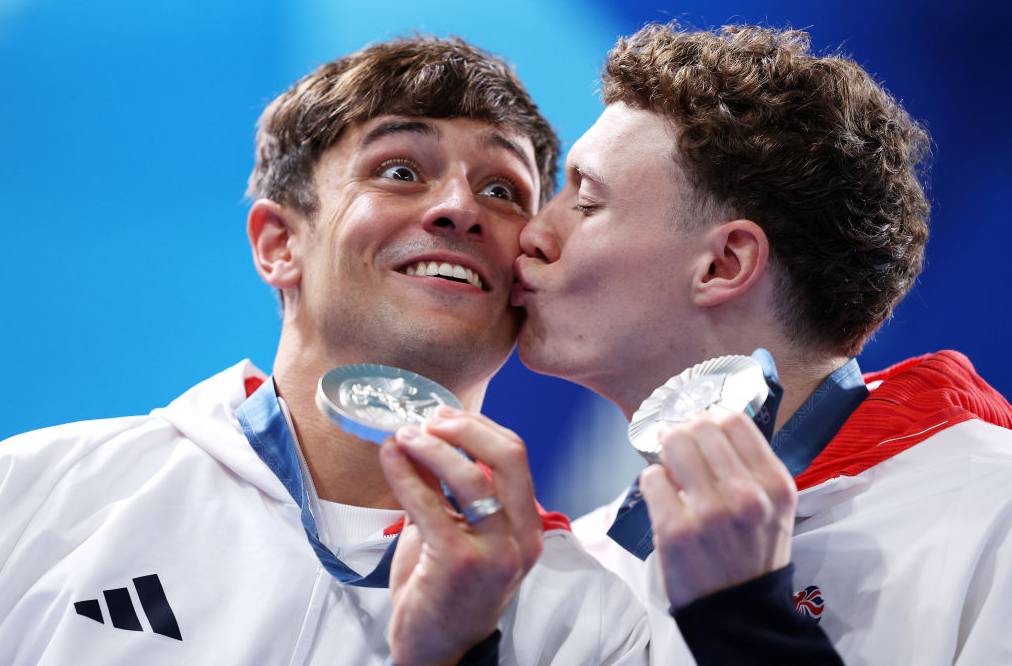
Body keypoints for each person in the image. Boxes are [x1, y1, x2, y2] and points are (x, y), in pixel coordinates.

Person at [0, 36, 650, 665]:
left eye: (502, 190)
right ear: (279, 244)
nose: (460, 208)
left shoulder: (590, 620)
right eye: (400, 171)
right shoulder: (35, 495)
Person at [504, 23, 1011, 664]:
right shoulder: (594, 559)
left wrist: (745, 622)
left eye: (586, 201)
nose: (531, 233)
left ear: (724, 264)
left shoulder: (994, 516)